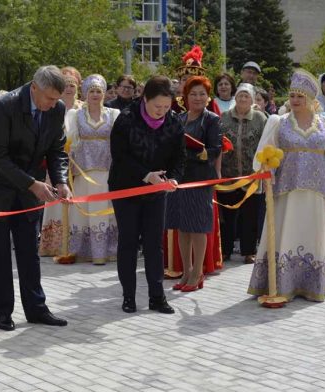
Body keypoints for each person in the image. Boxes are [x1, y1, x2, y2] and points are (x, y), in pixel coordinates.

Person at [0, 66, 72, 331]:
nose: (52, 104)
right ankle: (2, 311)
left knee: (29, 249)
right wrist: (32, 184)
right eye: (48, 98)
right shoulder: (6, 106)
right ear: (34, 88)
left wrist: (60, 181)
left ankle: (37, 308)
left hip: (29, 186)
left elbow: (57, 149)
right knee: (0, 251)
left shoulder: (57, 109)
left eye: (56, 99)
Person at [248, 69, 325, 302]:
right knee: (285, 235)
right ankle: (282, 284)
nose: (294, 100)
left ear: (312, 99)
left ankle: (313, 285)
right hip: (286, 193)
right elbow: (264, 157)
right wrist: (268, 180)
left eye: (300, 96)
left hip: (317, 194)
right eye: (292, 95)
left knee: (314, 236)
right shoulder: (278, 122)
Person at [108, 75, 185, 314]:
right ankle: (129, 296)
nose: (161, 111)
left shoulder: (173, 123)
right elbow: (119, 157)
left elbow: (179, 157)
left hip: (157, 190)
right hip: (127, 187)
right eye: (156, 106)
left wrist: (173, 178)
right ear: (145, 99)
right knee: (129, 241)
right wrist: (146, 175)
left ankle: (157, 296)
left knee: (154, 243)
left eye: (166, 106)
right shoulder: (126, 119)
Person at [165, 76, 221, 291]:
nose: (198, 98)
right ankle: (186, 271)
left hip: (199, 179)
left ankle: (198, 273)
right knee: (182, 227)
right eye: (193, 94)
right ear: (185, 97)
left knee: (197, 227)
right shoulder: (178, 119)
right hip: (178, 179)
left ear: (208, 97)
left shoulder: (211, 120)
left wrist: (197, 152)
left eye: (202, 94)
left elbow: (216, 148)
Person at [65, 74, 120, 264]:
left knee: (106, 208)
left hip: (107, 169)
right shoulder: (75, 115)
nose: (95, 95)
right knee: (83, 209)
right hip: (83, 170)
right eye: (91, 91)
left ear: (104, 93)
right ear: (85, 94)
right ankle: (82, 250)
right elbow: (70, 144)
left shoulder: (113, 114)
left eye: (98, 91)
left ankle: (107, 251)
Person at [217, 83, 267, 264]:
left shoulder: (260, 119)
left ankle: (248, 251)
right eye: (240, 96)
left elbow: (266, 143)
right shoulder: (223, 118)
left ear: (252, 99)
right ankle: (225, 250)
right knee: (227, 216)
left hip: (251, 176)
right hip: (228, 175)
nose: (243, 99)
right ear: (235, 98)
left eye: (247, 96)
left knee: (250, 216)